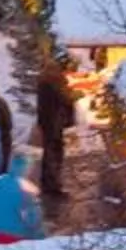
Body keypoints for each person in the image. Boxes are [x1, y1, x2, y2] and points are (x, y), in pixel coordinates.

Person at [34, 67, 78, 202]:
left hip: (49, 124)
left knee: (50, 154)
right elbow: (66, 100)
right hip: (53, 125)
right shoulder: (54, 86)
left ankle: (48, 184)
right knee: (54, 155)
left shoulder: (45, 84)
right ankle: (53, 186)